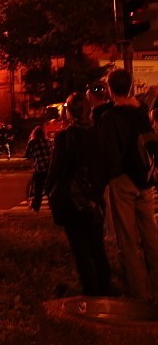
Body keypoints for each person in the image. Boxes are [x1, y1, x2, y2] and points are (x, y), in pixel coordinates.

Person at [99, 68, 158, 301]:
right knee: (151, 235)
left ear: (111, 90)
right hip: (145, 180)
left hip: (123, 181)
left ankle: (137, 293)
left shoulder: (109, 118)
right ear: (131, 86)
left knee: (128, 239)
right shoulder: (141, 112)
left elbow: (108, 156)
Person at [46, 92, 113, 296]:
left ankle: (90, 291)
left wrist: (50, 192)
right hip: (93, 198)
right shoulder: (98, 135)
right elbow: (105, 166)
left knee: (80, 249)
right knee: (97, 247)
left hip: (72, 200)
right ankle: (105, 289)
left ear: (68, 113)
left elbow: (55, 170)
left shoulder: (65, 137)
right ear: (89, 110)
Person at [24, 125, 51, 212]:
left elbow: (27, 154)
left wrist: (33, 156)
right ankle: (52, 206)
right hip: (50, 168)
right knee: (50, 189)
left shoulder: (33, 142)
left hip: (40, 168)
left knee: (38, 189)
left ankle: (36, 208)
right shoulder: (48, 141)